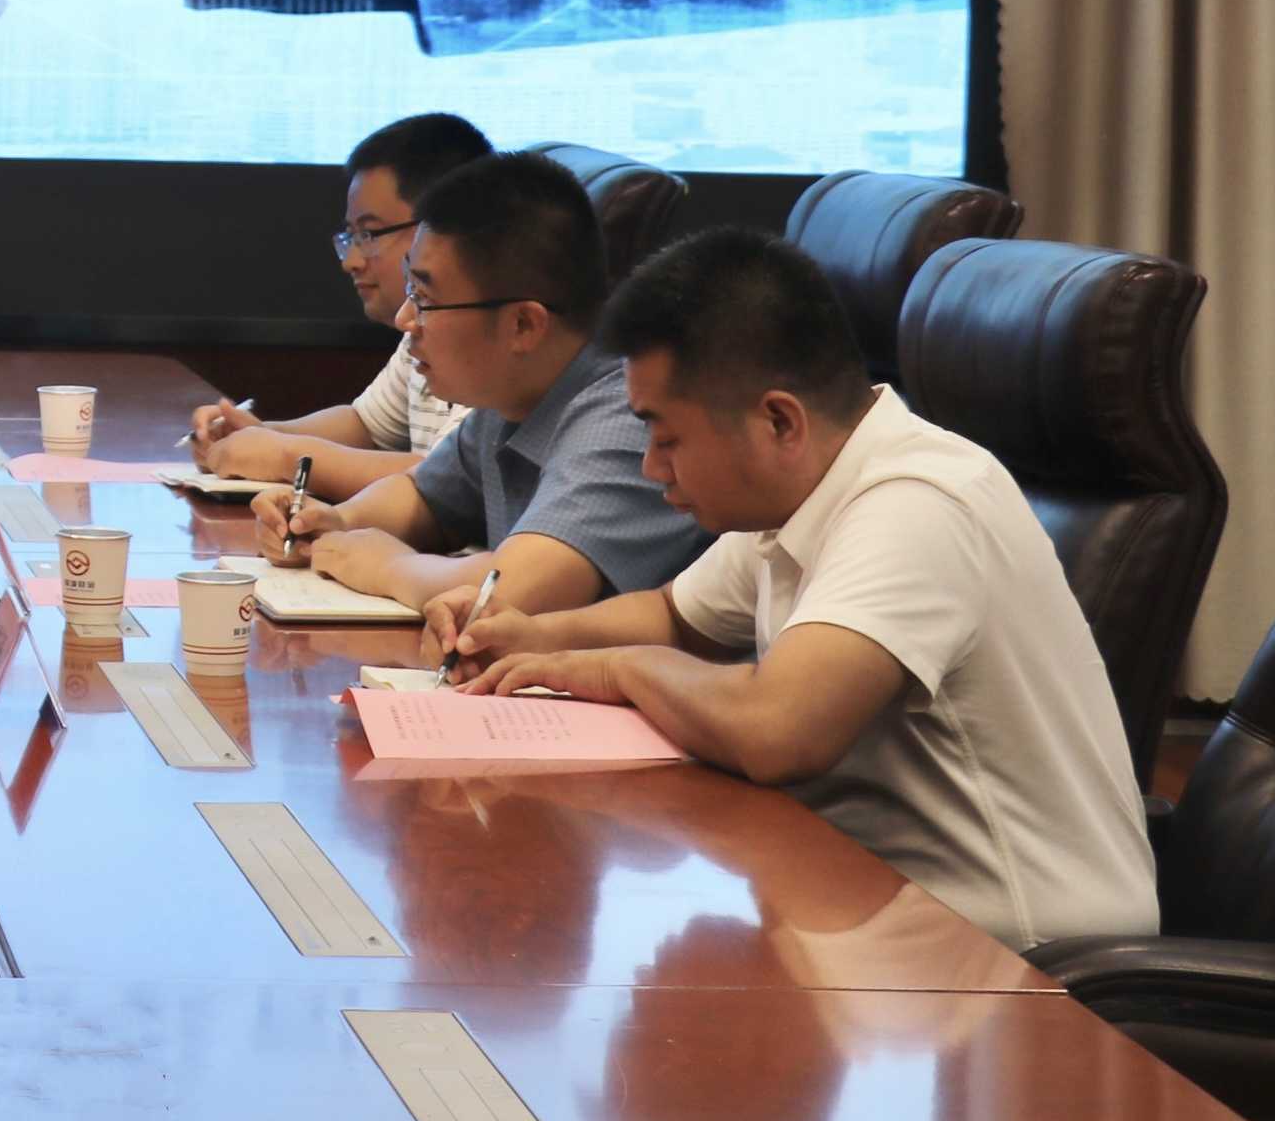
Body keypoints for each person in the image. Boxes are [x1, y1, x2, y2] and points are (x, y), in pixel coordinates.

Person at [442, 226, 1159, 950]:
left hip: (1014, 955)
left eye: (667, 438)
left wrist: (617, 669)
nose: (653, 469)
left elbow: (778, 729)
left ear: (778, 421)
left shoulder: (918, 503)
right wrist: (530, 635)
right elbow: (673, 616)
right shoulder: (805, 485)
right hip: (867, 897)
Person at [257, 149, 702, 619]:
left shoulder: (627, 413)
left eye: (424, 298)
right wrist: (332, 522)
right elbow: (426, 497)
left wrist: (387, 566)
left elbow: (515, 590)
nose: (406, 319)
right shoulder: (514, 393)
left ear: (523, 325)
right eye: (409, 291)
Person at [188, 111, 492, 496]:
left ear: (438, 227)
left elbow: (446, 476)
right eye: (351, 236)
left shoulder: (489, 343)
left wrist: (286, 456)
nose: (351, 261)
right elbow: (365, 425)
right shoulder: (418, 327)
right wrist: (256, 435)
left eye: (369, 234)